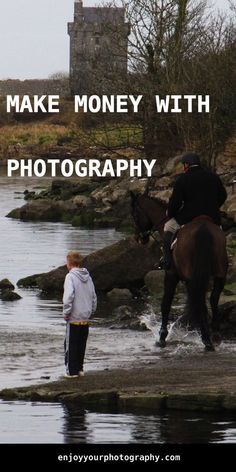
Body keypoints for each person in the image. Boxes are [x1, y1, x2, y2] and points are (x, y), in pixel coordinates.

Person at [162, 152, 227, 270]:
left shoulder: (182, 179)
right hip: (212, 217)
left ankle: (167, 260)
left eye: (183, 165)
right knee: (220, 236)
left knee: (168, 227)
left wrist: (170, 213)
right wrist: (214, 207)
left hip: (188, 217)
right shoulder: (213, 176)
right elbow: (223, 195)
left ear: (187, 165)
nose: (183, 167)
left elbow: (175, 202)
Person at [63, 250, 97, 378]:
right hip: (85, 317)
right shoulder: (88, 277)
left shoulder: (70, 277)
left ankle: (71, 372)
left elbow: (68, 297)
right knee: (81, 345)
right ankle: (79, 369)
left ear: (69, 263)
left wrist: (66, 312)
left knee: (70, 345)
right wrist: (91, 311)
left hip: (74, 317)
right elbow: (93, 296)